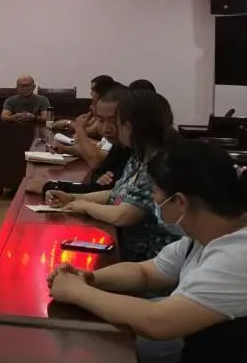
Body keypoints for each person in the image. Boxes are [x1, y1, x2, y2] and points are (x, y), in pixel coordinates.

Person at [48, 141, 247, 363]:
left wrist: (77, 292)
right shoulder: (205, 234)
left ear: (179, 201)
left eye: (156, 195)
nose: (154, 203)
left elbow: (159, 321)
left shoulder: (245, 253)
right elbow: (146, 272)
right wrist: (89, 277)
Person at [46, 90, 181, 261]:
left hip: (148, 259)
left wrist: (85, 206)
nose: (111, 128)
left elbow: (122, 215)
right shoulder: (138, 156)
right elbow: (116, 194)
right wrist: (72, 198)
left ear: (128, 127)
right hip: (127, 249)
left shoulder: (158, 165)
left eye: (115, 122)